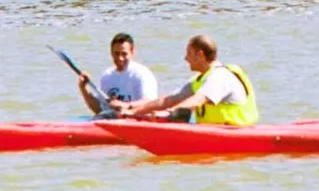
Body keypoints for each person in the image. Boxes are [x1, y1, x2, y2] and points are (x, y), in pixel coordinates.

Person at [113, 34, 257, 125]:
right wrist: (136, 111)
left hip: (237, 132)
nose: (185, 59)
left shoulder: (220, 77)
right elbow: (169, 100)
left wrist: (170, 113)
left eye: (189, 54)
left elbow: (198, 100)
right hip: (215, 130)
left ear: (200, 55)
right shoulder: (199, 79)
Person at [76, 33, 160, 119]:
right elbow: (99, 110)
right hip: (115, 122)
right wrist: (83, 89)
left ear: (132, 53)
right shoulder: (107, 76)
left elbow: (151, 103)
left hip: (138, 122)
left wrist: (126, 105)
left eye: (124, 54)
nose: (120, 58)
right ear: (111, 53)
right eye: (116, 54)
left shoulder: (142, 74)